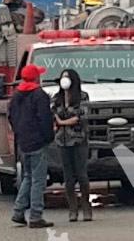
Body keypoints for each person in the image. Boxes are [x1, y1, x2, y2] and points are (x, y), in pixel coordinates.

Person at [8, 64, 55, 228]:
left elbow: (11, 118)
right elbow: (45, 119)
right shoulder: (39, 95)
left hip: (23, 142)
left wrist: (19, 135)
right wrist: (48, 137)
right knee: (38, 180)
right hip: (37, 142)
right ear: (36, 78)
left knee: (28, 177)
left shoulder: (16, 96)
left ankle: (18, 211)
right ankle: (35, 216)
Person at [52, 69, 92, 222]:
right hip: (62, 141)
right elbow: (54, 114)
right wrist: (59, 122)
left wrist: (62, 122)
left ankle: (86, 207)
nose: (64, 80)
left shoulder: (83, 97)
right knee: (68, 177)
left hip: (79, 140)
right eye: (63, 77)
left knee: (81, 174)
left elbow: (80, 117)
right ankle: (72, 209)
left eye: (67, 77)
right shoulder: (57, 98)